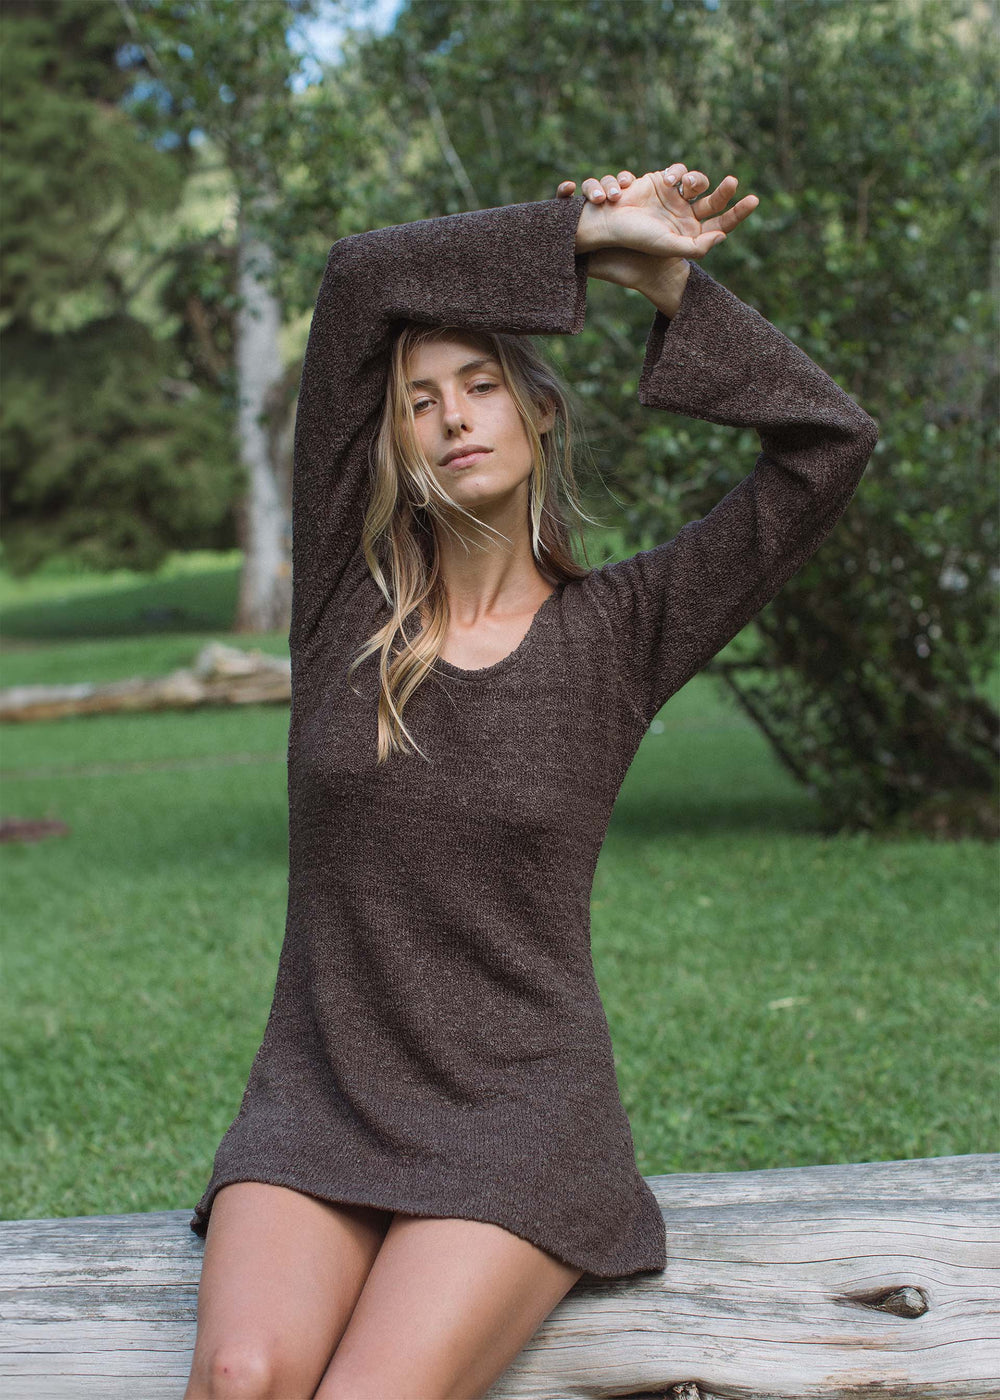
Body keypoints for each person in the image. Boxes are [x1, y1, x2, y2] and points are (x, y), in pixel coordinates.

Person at [183, 162, 878, 1400]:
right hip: (320, 1095)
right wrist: (583, 232)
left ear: (538, 411)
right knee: (240, 1373)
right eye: (418, 401)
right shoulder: (343, 606)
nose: (452, 417)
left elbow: (829, 446)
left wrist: (669, 287)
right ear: (392, 441)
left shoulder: (622, 630)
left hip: (518, 1111)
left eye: (480, 384)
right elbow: (358, 277)